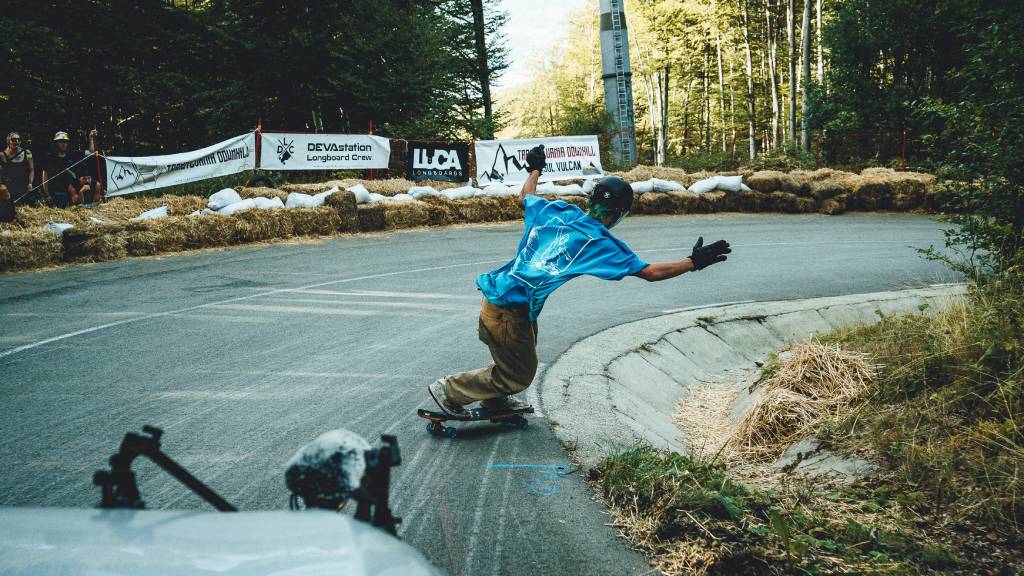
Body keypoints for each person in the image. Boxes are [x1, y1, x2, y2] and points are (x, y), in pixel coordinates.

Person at [427, 145, 732, 417]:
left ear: (592, 200)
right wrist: (693, 262)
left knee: (522, 350)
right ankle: (450, 390)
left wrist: (535, 169)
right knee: (521, 375)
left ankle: (496, 400)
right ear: (620, 214)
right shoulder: (600, 242)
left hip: (496, 295)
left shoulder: (558, 210)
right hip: (510, 310)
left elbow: (525, 198)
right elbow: (651, 273)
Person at [41, 129, 100, 207]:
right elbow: (45, 178)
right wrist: (47, 195)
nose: (63, 144)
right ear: (56, 143)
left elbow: (91, 153)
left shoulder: (72, 154)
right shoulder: (50, 158)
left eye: (65, 141)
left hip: (70, 192)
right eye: (61, 142)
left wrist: (91, 138)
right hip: (55, 193)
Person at [0, 132, 35, 205]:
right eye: (13, 139)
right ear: (8, 141)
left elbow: (31, 170)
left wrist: (30, 183)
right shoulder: (2, 155)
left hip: (24, 187)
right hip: (9, 189)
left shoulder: (27, 153)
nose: (17, 142)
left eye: (19, 139)